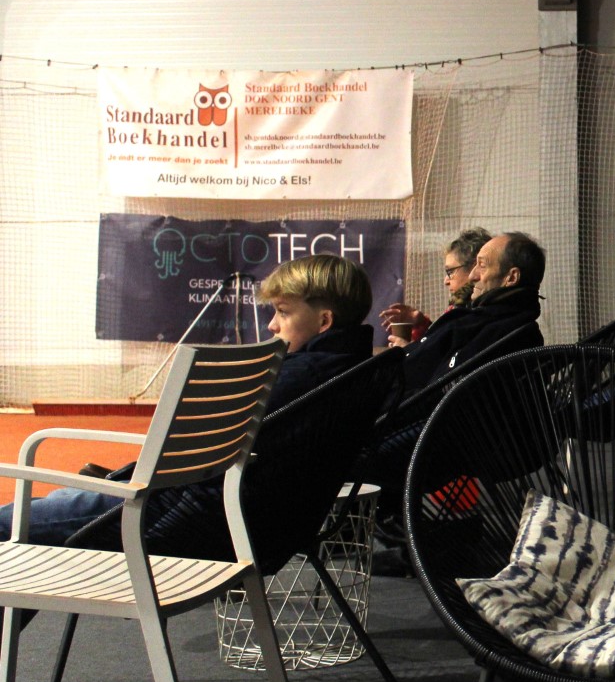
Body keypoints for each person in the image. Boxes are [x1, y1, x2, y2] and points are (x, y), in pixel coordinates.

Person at [0, 254, 376, 545]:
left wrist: (126, 480)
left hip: (169, 514)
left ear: (324, 321)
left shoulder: (298, 376)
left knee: (9, 524)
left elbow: (189, 451)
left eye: (283, 312)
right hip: (241, 524)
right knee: (29, 524)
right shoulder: (357, 372)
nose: (271, 325)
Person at [398, 230, 545, 393]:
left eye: (482, 265)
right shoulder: (523, 330)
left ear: (511, 278)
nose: (472, 276)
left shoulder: (487, 331)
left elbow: (434, 394)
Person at [378, 227, 491, 347]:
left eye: (450, 272)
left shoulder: (476, 315)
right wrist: (422, 324)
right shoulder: (462, 309)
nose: (446, 281)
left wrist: (408, 352)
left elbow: (445, 355)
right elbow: (441, 344)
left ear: (475, 268)